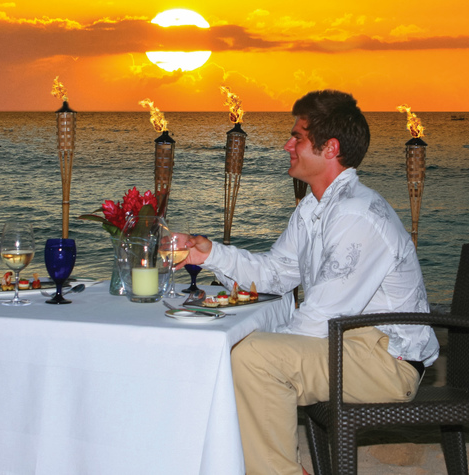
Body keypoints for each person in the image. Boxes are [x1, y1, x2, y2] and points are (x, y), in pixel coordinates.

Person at [184, 90, 439, 475]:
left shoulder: (356, 214)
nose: (287, 145)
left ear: (330, 148)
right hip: (348, 345)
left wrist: (258, 341)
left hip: (387, 360)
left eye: (297, 137)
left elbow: (320, 319)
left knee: (253, 358)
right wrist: (209, 255)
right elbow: (274, 274)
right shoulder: (313, 208)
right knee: (242, 355)